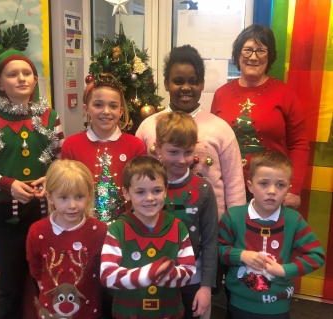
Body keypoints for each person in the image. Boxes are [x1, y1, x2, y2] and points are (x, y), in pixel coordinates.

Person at [0, 50, 65, 319]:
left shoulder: (50, 117)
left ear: (34, 80)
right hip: (6, 221)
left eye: (26, 73)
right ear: (0, 84)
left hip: (45, 216)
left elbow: (61, 161)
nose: (21, 78)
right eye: (12, 74)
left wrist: (51, 179)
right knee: (10, 286)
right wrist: (8, 184)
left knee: (47, 281)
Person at [136, 45, 246, 220]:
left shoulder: (220, 129)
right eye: (178, 81)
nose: (186, 88)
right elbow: (136, 179)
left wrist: (235, 228)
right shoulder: (148, 127)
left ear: (202, 84)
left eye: (193, 82)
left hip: (209, 229)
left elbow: (234, 184)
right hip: (157, 227)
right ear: (166, 83)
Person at [211, 24, 309, 209]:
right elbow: (212, 140)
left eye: (261, 51)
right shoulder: (221, 94)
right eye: (247, 50)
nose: (253, 57)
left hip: (272, 190)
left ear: (270, 56)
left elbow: (299, 144)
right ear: (238, 54)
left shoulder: (284, 93)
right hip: (229, 188)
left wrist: (293, 189)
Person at [218, 150, 325, 319]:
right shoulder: (233, 216)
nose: (272, 191)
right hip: (239, 303)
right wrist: (242, 255)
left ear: (288, 189)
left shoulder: (293, 220)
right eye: (264, 183)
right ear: (250, 186)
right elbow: (219, 250)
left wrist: (284, 270)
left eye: (280, 185)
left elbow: (316, 256)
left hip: (277, 306)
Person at [100, 156, 196, 319]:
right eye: (140, 192)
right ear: (126, 193)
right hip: (129, 313)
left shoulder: (178, 227)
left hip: (169, 312)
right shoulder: (118, 229)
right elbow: (108, 275)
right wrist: (149, 274)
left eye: (156, 190)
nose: (150, 198)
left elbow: (188, 272)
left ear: (166, 190)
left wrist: (166, 274)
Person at [155, 111, 218, 319]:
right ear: (158, 149)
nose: (182, 160)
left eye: (188, 152)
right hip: (156, 278)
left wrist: (207, 286)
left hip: (193, 280)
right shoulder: (148, 187)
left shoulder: (204, 189)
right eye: (173, 152)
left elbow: (210, 240)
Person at [26, 159, 107, 318]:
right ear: (49, 197)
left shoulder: (99, 231)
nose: (72, 205)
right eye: (63, 197)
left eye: (79, 196)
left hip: (88, 311)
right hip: (51, 311)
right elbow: (36, 270)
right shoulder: (37, 231)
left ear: (89, 195)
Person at [61, 73, 146, 223]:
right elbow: (66, 189)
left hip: (126, 226)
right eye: (98, 105)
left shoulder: (135, 146)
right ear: (86, 109)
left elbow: (142, 189)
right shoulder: (72, 145)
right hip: (83, 225)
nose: (106, 111)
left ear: (120, 111)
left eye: (113, 106)